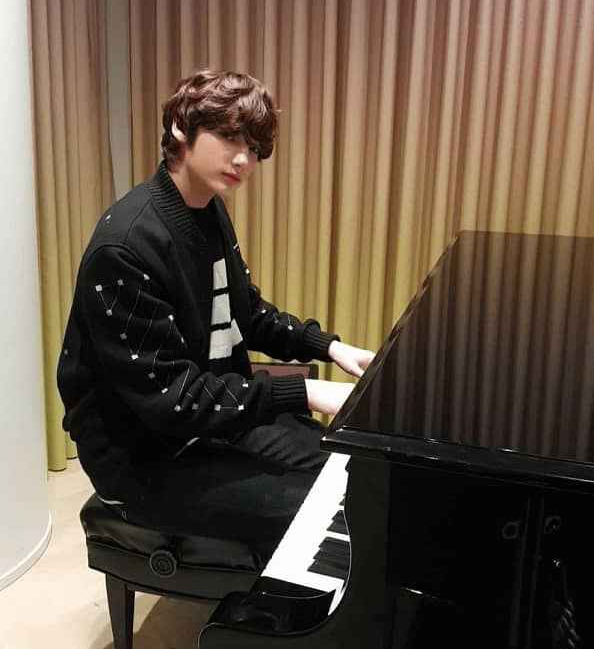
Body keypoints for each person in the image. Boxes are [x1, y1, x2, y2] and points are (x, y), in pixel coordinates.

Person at [57, 70, 374, 568]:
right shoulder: (126, 248)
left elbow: (245, 312)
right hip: (143, 459)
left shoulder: (207, 210)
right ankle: (281, 608)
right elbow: (173, 400)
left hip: (210, 421)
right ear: (180, 129)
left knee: (350, 469)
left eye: (253, 147)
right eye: (229, 137)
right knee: (321, 507)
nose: (244, 159)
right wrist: (306, 392)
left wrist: (331, 348)